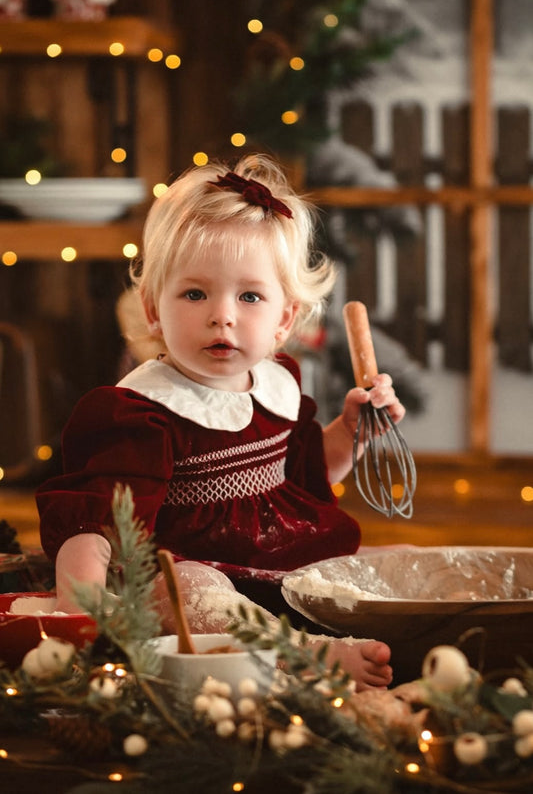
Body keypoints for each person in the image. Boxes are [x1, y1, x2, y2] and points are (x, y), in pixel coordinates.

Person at [37, 154, 405, 690]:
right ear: (153, 309)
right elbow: (92, 526)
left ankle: (403, 627)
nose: (223, 315)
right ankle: (301, 654)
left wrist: (353, 431)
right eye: (194, 293)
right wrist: (82, 611)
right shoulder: (142, 410)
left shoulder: (278, 383)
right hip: (200, 579)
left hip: (289, 559)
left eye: (249, 296)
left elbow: (307, 471)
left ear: (283, 318)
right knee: (183, 587)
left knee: (395, 565)